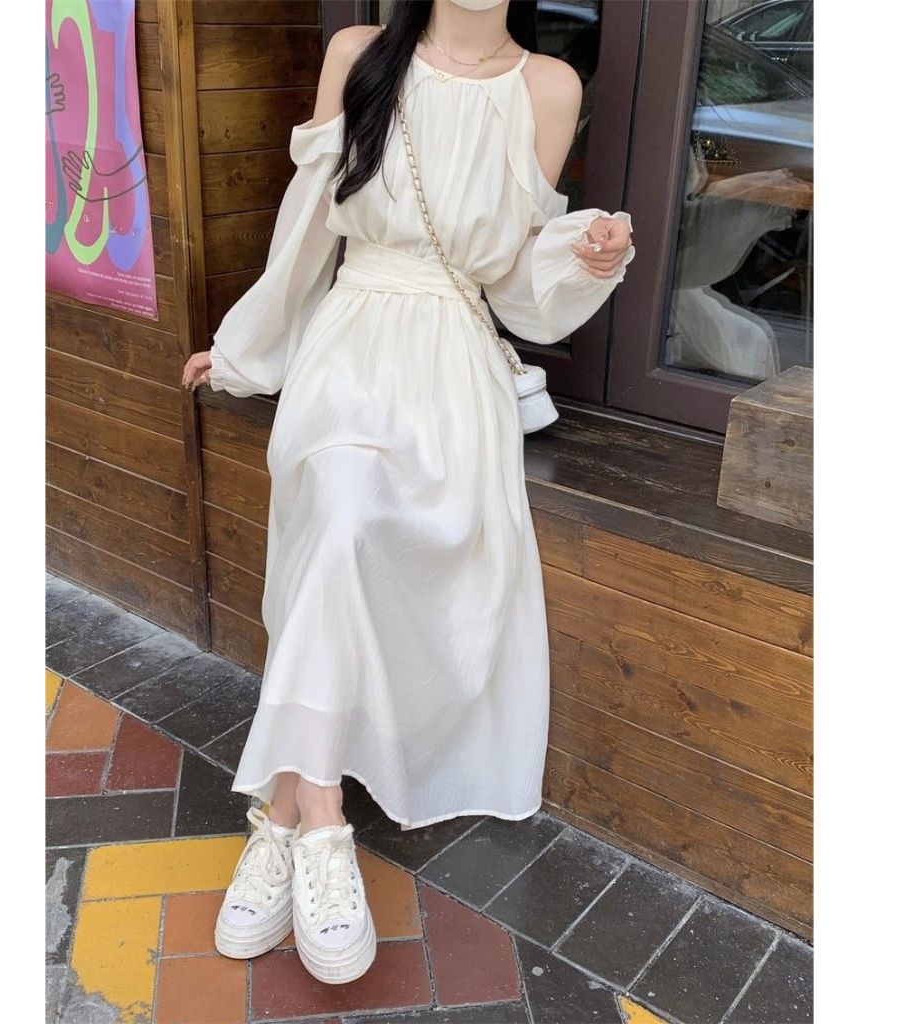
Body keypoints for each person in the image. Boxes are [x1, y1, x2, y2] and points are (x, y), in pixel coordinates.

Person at [182, 0, 635, 986]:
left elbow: (514, 281)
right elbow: (308, 226)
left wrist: (582, 259)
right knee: (342, 516)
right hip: (350, 348)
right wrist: (248, 347)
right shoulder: (359, 55)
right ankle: (326, 824)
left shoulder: (548, 87)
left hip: (452, 369)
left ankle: (283, 816)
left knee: (349, 548)